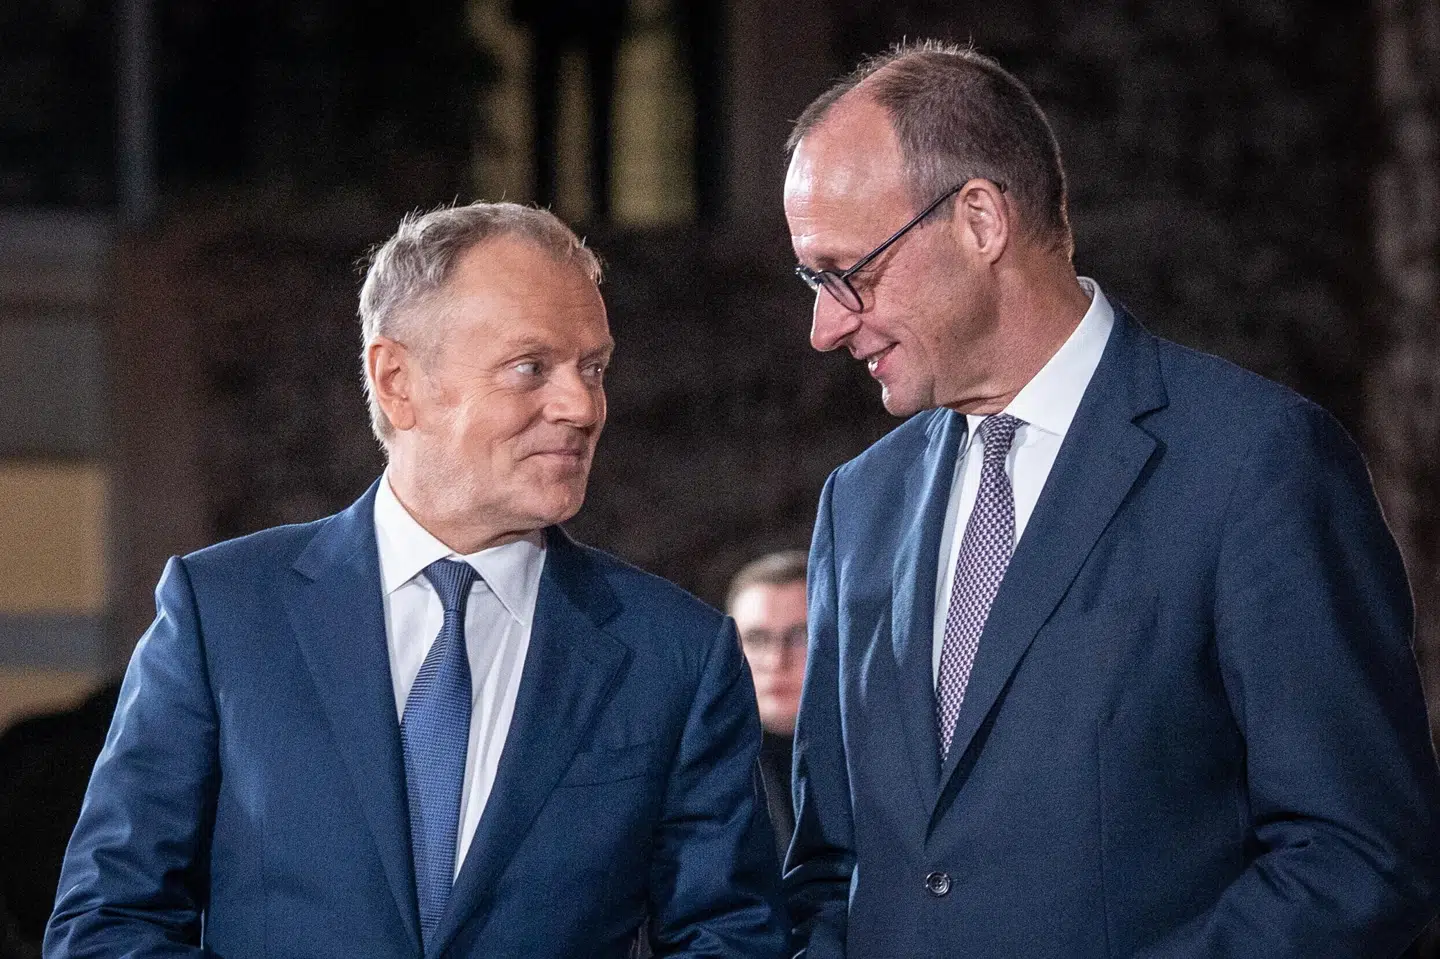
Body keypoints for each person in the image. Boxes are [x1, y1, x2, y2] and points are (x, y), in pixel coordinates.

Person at [782, 41, 1440, 958]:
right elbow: (826, 868)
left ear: (979, 219)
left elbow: (1358, 855)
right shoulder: (859, 506)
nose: (824, 327)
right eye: (812, 282)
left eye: (847, 272)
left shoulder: (1256, 464)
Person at [45, 202, 785, 958]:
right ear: (397, 380)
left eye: (593, 368)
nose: (580, 406)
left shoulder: (676, 653)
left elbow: (730, 937)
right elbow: (108, 923)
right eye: (531, 366)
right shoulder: (225, 614)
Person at [727, 550, 809, 865]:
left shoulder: (880, 762)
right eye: (757, 639)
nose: (777, 660)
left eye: (800, 635)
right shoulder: (701, 772)